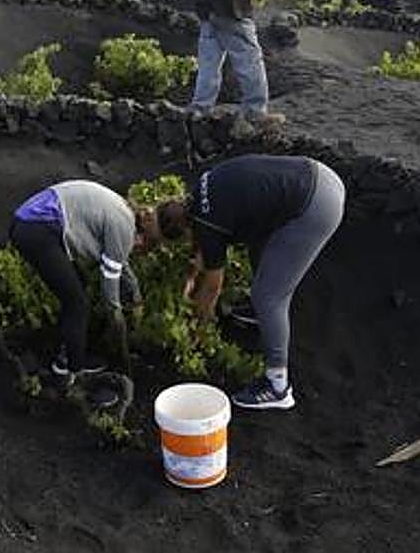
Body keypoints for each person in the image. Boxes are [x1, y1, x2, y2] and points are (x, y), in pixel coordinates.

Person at [137, 154, 345, 410]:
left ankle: (277, 386)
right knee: (259, 247)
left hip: (315, 208)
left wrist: (200, 325)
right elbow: (202, 247)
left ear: (183, 231)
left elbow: (212, 287)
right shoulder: (198, 193)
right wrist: (190, 280)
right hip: (317, 174)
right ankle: (263, 317)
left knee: (268, 297)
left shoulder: (206, 224)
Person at [9, 180, 144, 381]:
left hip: (28, 220)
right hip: (38, 228)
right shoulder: (124, 228)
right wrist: (118, 321)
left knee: (76, 287)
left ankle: (65, 357)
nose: (139, 251)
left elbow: (120, 262)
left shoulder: (122, 212)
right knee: (77, 304)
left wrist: (135, 293)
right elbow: (110, 290)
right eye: (143, 246)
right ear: (140, 235)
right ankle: (74, 371)